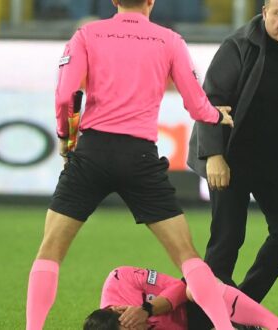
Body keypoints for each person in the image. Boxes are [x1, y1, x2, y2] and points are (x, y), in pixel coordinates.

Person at [24, 1, 240, 329]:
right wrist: (215, 115)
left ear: (114, 0)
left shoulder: (86, 34)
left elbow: (66, 94)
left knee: (50, 251)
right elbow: (196, 102)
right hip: (139, 156)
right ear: (151, 1)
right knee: (188, 256)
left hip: (92, 152)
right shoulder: (169, 40)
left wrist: (66, 137)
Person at [186, 0, 278, 321]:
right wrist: (214, 155)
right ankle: (200, 323)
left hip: (277, 159)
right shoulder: (239, 45)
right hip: (231, 158)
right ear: (264, 14)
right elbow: (210, 100)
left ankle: (239, 308)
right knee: (226, 243)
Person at [83, 266, 278, 330]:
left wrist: (147, 309)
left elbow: (180, 286)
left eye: (129, 327)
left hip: (196, 306)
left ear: (116, 310)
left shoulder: (120, 279)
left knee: (199, 280)